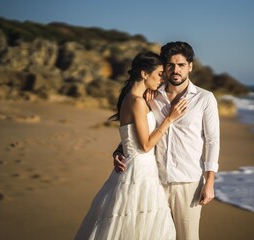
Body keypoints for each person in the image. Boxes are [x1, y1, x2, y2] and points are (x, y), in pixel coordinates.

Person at [75, 51, 188, 240]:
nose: (162, 79)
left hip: (135, 167)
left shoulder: (133, 98)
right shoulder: (136, 102)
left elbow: (131, 137)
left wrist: (118, 150)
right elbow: (145, 145)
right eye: (159, 74)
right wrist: (169, 119)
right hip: (140, 171)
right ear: (144, 74)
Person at [113, 41, 220, 240]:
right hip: (154, 180)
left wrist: (210, 181)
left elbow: (213, 141)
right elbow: (138, 131)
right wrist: (119, 151)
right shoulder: (151, 94)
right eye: (170, 65)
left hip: (187, 181)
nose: (175, 70)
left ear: (190, 66)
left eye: (181, 65)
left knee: (187, 237)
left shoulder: (205, 99)